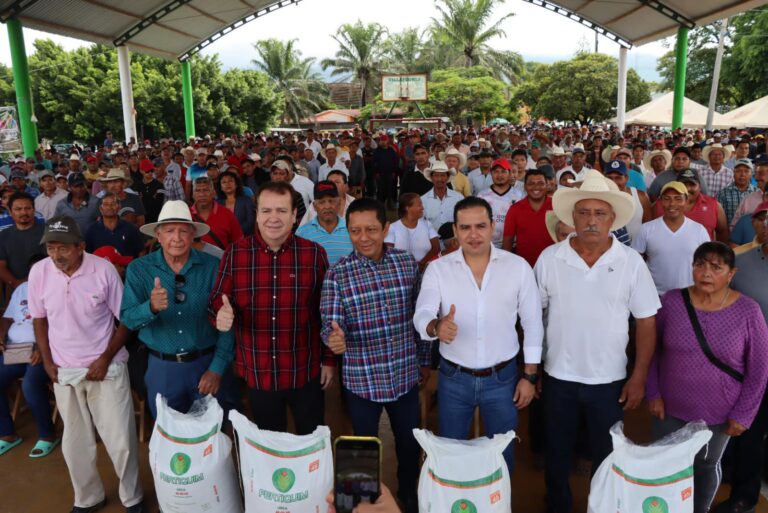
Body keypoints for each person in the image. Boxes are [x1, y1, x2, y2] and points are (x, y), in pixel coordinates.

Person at [535, 169, 660, 513]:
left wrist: (639, 376)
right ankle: (557, 505)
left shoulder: (631, 262)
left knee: (606, 456)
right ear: (572, 217)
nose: (591, 220)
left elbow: (646, 322)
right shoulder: (550, 259)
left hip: (609, 380)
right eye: (584, 213)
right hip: (558, 375)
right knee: (557, 453)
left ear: (612, 218)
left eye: (600, 213)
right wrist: (533, 369)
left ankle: (601, 507)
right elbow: (532, 320)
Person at [414, 196, 543, 474]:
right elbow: (422, 312)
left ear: (493, 226)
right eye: (465, 227)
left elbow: (533, 324)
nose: (474, 234)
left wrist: (530, 375)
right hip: (454, 378)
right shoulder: (438, 269)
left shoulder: (517, 267)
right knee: (452, 453)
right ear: (456, 231)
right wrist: (435, 326)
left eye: (481, 226)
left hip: (503, 378)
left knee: (501, 454)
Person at [321, 198, 431, 513]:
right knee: (363, 447)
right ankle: (363, 503)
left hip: (404, 374)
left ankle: (408, 495)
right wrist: (334, 340)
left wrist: (424, 359)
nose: (363, 237)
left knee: (409, 445)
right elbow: (329, 324)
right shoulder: (338, 274)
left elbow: (420, 317)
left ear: (385, 228)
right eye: (355, 231)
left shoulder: (406, 264)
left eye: (371, 229)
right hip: (361, 379)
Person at [29, 216, 144, 513]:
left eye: (63, 248)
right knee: (75, 443)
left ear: (81, 246)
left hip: (106, 368)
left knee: (121, 440)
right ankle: (88, 498)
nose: (56, 255)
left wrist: (104, 358)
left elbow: (126, 319)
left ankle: (132, 497)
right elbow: (40, 320)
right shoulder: (40, 272)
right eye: (51, 248)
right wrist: (47, 360)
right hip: (64, 369)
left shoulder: (103, 270)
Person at [647, 242, 768, 513]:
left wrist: (744, 414)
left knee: (704, 467)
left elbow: (759, 368)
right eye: (700, 264)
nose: (706, 273)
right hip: (669, 407)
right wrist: (653, 393)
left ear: (731, 274)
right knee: (664, 464)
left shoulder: (749, 311)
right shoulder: (673, 301)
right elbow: (653, 350)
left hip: (718, 412)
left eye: (716, 267)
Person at [209, 181, 335, 434]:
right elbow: (216, 303)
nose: (273, 218)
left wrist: (329, 360)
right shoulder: (235, 254)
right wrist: (219, 316)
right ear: (256, 215)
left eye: (281, 211)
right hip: (259, 372)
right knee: (270, 446)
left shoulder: (314, 255)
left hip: (305, 370)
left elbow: (328, 313)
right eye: (266, 211)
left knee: (310, 444)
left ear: (294, 215)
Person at [120, 201, 236, 419]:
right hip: (162, 368)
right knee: (170, 438)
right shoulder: (139, 269)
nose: (177, 238)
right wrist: (150, 307)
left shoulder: (213, 266)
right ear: (158, 235)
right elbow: (128, 318)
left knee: (212, 436)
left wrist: (218, 368)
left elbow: (227, 321)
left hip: (206, 363)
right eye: (170, 231)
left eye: (184, 231)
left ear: (193, 235)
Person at [713, 204, 768, 513]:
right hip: (744, 365)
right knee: (746, 429)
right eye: (763, 220)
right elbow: (719, 305)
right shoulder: (741, 263)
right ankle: (743, 495)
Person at [0, 254, 58, 458]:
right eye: (35, 271)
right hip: (18, 348)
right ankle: (7, 434)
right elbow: (7, 318)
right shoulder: (22, 289)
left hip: (45, 350)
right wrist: (1, 336)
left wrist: (44, 350)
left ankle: (47, 435)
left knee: (30, 384)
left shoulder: (59, 288)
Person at [632, 182, 710, 296]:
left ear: (686, 200)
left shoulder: (699, 230)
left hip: (690, 296)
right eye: (667, 199)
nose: (672, 204)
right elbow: (634, 261)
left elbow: (707, 262)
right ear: (661, 201)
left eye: (678, 199)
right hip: (655, 295)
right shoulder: (646, 229)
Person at [654, 169, 730, 242]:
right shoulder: (660, 204)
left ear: (700, 187)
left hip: (704, 254)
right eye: (683, 185)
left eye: (692, 185)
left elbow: (723, 233)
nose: (687, 189)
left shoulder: (714, 205)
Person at [502, 168, 554, 267]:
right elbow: (507, 243)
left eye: (540, 183)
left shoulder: (556, 206)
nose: (536, 187)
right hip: (525, 267)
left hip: (552, 266)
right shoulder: (515, 209)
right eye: (531, 183)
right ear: (525, 187)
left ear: (547, 185)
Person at [296, 181, 353, 265]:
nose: (327, 206)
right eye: (322, 202)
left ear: (339, 203)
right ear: (314, 206)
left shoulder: (352, 230)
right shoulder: (302, 233)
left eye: (331, 201)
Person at [0, 192, 45, 290]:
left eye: (28, 208)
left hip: (45, 285)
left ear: (34, 210)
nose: (24, 212)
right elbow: (1, 266)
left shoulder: (47, 232)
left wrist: (28, 282)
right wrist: (16, 284)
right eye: (18, 209)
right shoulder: (3, 235)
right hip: (14, 288)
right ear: (11, 212)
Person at [385, 193, 439, 271]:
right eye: (419, 205)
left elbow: (436, 248)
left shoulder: (427, 224)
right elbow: (388, 254)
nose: (422, 208)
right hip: (402, 271)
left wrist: (422, 264)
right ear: (407, 208)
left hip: (426, 270)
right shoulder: (392, 228)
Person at [477, 158, 524, 248]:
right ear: (491, 173)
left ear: (509, 173)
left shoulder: (519, 195)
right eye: (496, 172)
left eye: (503, 171)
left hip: (513, 245)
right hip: (489, 245)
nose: (499, 175)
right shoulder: (482, 196)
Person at [84, 193, 144, 259]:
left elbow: (141, 251)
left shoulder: (130, 228)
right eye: (106, 204)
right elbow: (87, 255)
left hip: (127, 268)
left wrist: (136, 268)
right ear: (100, 209)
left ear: (119, 207)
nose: (110, 207)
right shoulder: (92, 230)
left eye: (113, 204)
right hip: (100, 268)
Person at [190, 177, 244, 250]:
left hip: (221, 260)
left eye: (206, 190)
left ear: (213, 193)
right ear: (193, 195)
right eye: (197, 191)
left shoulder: (227, 214)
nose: (202, 194)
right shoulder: (186, 215)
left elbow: (239, 242)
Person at [421, 161, 462, 232]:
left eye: (443, 175)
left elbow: (462, 220)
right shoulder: (423, 200)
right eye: (436, 175)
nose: (439, 179)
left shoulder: (458, 198)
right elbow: (421, 224)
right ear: (432, 177)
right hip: (430, 241)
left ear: (447, 177)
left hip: (454, 240)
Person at [730, 157, 768, 229]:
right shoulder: (748, 199)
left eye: (761, 174)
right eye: (756, 173)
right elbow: (734, 227)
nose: (756, 178)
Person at [717, 159, 758, 225]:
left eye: (746, 171)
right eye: (738, 171)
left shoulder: (758, 193)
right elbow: (719, 219)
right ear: (733, 173)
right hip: (730, 233)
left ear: (751, 174)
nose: (742, 174)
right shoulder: (722, 194)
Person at [216, 170, 255, 236]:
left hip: (244, 238)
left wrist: (234, 232)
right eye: (224, 182)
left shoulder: (246, 200)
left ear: (236, 184)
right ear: (221, 188)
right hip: (224, 238)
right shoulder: (217, 203)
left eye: (230, 181)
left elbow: (250, 222)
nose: (227, 184)